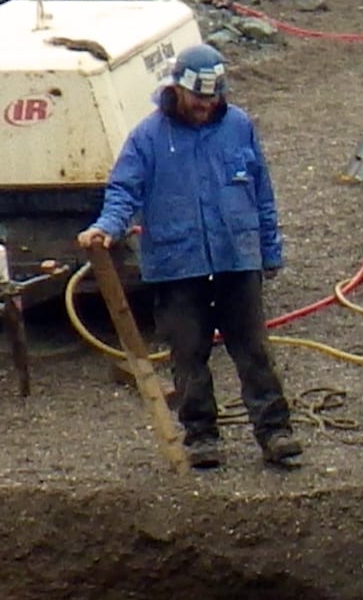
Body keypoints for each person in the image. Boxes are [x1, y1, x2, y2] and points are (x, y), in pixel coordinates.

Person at [79, 40, 300, 469]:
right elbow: (124, 190)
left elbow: (261, 192)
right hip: (177, 267)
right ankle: (201, 435)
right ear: (178, 89)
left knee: (253, 350)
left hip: (237, 259)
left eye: (213, 96)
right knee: (187, 352)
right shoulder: (147, 137)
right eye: (199, 97)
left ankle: (275, 431)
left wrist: (269, 249)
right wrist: (106, 228)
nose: (205, 105)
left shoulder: (239, 125)